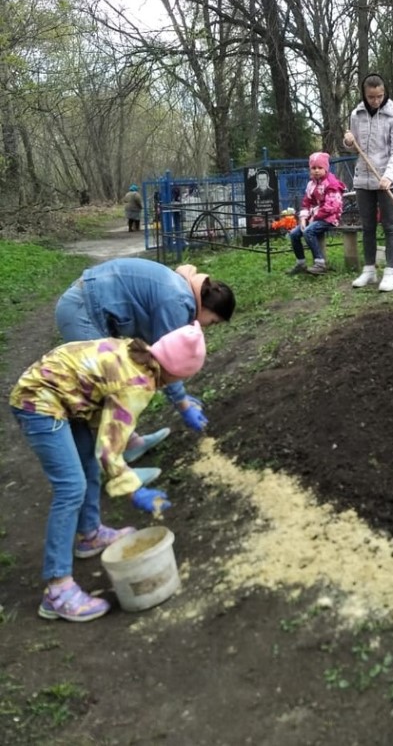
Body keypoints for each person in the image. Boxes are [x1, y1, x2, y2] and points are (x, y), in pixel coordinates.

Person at [9, 322, 206, 622]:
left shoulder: (137, 351)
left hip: (66, 393)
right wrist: (134, 491)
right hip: (40, 400)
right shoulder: (137, 383)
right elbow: (110, 450)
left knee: (87, 465)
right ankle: (58, 591)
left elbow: (103, 434)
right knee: (70, 488)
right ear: (178, 372)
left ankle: (90, 534)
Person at [54, 258, 235, 463]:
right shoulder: (178, 302)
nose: (207, 327)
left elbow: (158, 349)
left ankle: (129, 445)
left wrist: (180, 397)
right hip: (81, 311)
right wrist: (183, 404)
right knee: (105, 387)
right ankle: (103, 466)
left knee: (114, 382)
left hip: (87, 304)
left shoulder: (181, 290)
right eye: (213, 321)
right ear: (207, 307)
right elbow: (165, 362)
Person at [343, 72, 393, 293]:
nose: (376, 100)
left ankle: (390, 271)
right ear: (364, 94)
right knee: (368, 226)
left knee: (390, 225)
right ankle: (369, 270)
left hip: (388, 179)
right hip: (363, 178)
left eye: (379, 96)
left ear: (384, 92)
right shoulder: (356, 114)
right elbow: (354, 147)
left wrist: (389, 175)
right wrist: (348, 141)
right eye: (371, 97)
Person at [287, 152, 346, 276]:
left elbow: (332, 206)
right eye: (313, 168)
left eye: (320, 167)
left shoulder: (331, 183)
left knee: (308, 231)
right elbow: (306, 202)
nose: (317, 170)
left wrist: (314, 218)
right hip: (314, 216)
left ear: (326, 168)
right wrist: (303, 219)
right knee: (294, 234)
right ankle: (301, 263)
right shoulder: (311, 184)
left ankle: (320, 263)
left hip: (330, 217)